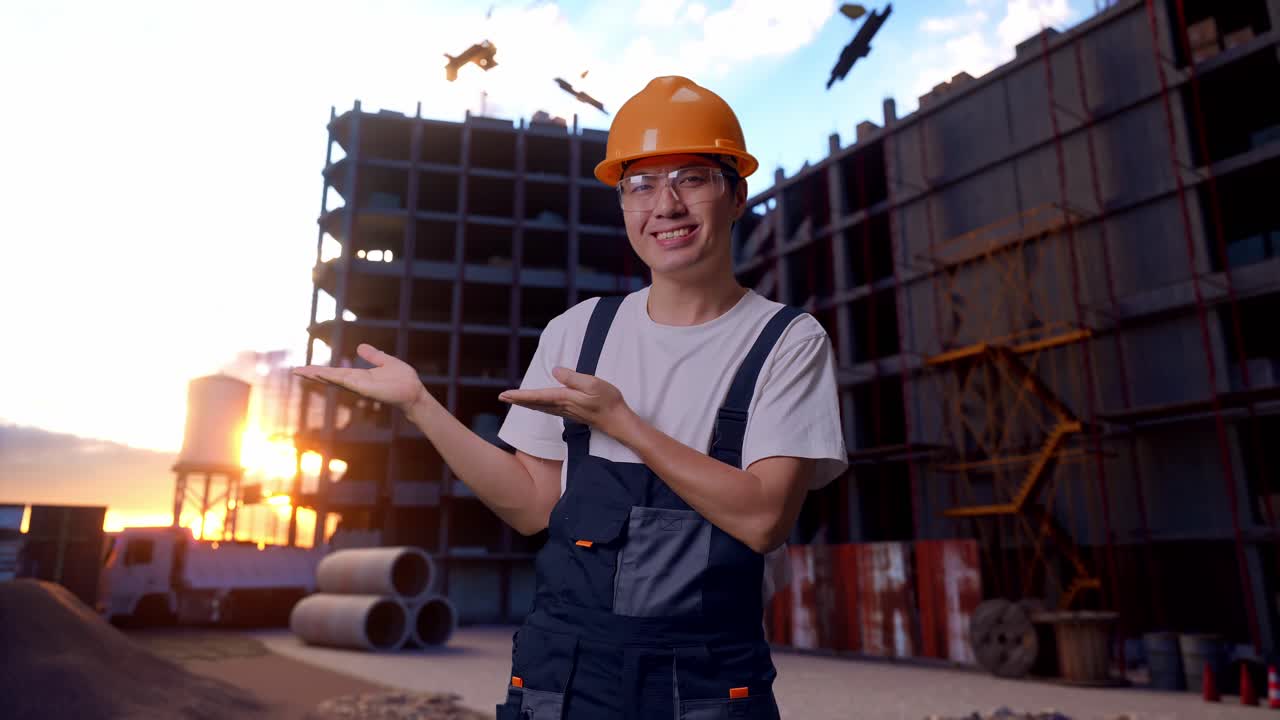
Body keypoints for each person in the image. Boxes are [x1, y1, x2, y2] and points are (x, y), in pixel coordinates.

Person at [293, 75, 848, 719]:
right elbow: (533, 506)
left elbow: (763, 519)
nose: (665, 205)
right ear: (623, 204)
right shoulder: (580, 332)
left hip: (705, 685)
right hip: (566, 676)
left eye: (692, 179)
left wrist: (623, 423)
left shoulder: (785, 341)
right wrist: (420, 404)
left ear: (737, 195)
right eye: (641, 184)